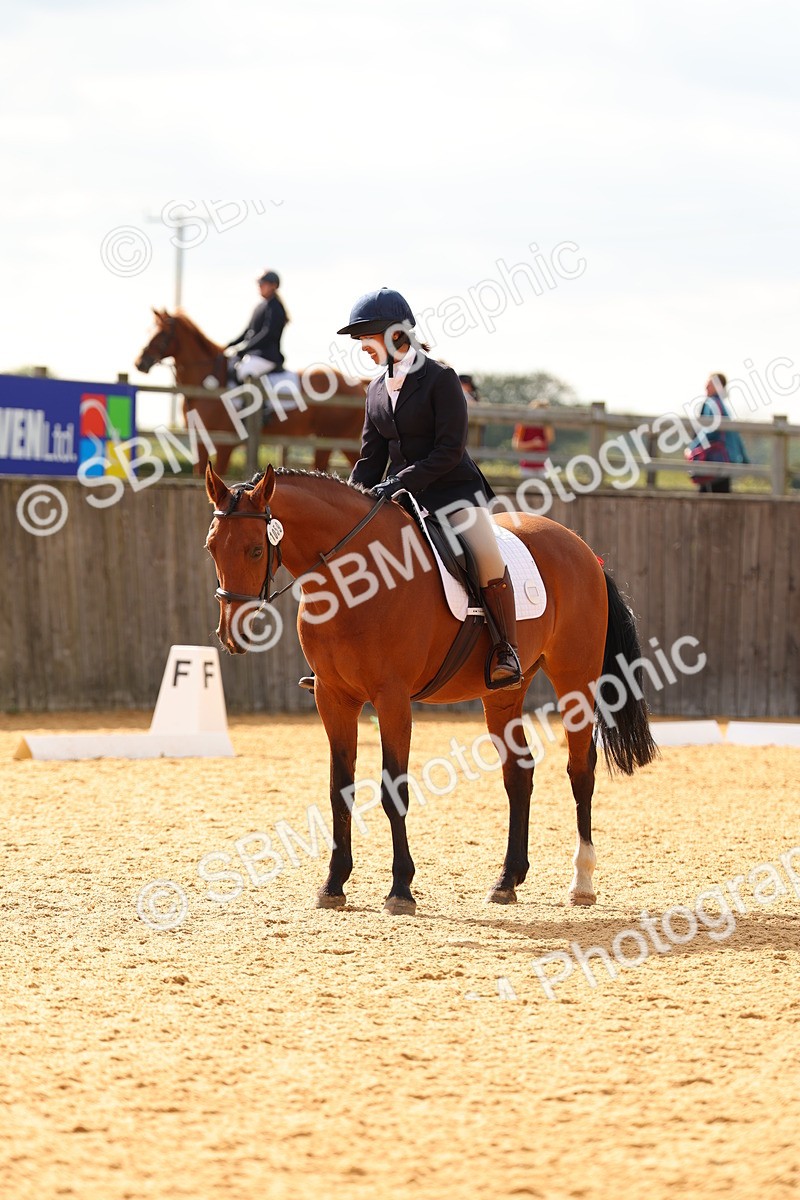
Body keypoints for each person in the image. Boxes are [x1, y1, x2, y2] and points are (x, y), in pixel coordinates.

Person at [298, 287, 522, 693]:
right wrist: (351, 504)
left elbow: (449, 450)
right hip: (402, 496)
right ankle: (335, 662)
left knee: (485, 556)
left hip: (453, 492)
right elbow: (370, 456)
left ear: (396, 334)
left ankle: (506, 650)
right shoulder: (375, 390)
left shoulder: (442, 379)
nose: (362, 348)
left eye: (367, 338)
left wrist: (400, 481)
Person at [688, 373, 749, 494]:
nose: (706, 387)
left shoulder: (712, 404)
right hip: (725, 461)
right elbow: (735, 435)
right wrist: (744, 460)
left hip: (714, 462)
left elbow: (709, 430)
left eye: (709, 384)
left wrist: (692, 448)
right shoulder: (722, 406)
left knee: (707, 502)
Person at [225, 270, 289, 383]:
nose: (259, 286)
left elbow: (267, 334)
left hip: (267, 357)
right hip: (254, 354)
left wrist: (244, 348)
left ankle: (254, 401)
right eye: (259, 283)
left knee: (244, 371)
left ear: (273, 286)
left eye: (263, 283)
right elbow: (247, 332)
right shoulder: (260, 306)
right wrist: (229, 345)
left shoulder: (275, 307)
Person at [512, 400, 555, 478]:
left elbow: (550, 439)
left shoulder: (546, 425)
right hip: (527, 466)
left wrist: (545, 421)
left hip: (543, 466)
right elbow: (517, 445)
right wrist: (533, 443)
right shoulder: (523, 424)